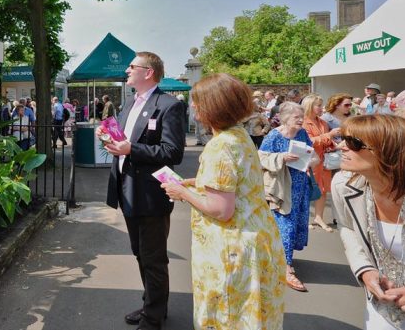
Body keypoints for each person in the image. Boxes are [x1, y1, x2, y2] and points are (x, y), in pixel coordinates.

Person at [161, 73, 285, 329]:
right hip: (256, 238)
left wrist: (181, 193)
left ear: (214, 105)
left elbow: (221, 209)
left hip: (232, 247)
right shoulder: (240, 136)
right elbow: (240, 183)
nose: (193, 105)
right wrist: (199, 183)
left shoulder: (220, 146)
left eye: (197, 101)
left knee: (227, 317)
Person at [97, 51, 185, 330]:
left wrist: (131, 148)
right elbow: (124, 139)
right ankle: (152, 304)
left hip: (150, 194)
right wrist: (108, 137)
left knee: (153, 258)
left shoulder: (169, 105)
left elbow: (173, 151)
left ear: (148, 72)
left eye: (132, 66)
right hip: (127, 188)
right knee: (139, 253)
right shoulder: (128, 103)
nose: (126, 70)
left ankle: (154, 317)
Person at [331, 115, 405, 329]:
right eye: (342, 138)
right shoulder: (344, 184)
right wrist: (365, 270)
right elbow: (348, 228)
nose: (341, 147)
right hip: (383, 307)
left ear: (388, 152)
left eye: (353, 143)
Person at [259, 102, 318, 292]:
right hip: (281, 187)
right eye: (296, 117)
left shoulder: (302, 134)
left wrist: (309, 159)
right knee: (286, 225)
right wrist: (281, 158)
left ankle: (281, 259)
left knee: (295, 223)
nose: (301, 120)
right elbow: (259, 158)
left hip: (300, 185)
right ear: (285, 118)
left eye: (302, 116)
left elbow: (314, 156)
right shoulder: (274, 135)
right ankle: (287, 267)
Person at [302, 94, 341, 232]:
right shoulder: (303, 122)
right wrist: (328, 136)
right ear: (309, 106)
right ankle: (304, 220)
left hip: (324, 161)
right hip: (310, 161)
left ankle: (319, 217)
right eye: (318, 105)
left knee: (322, 190)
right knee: (307, 190)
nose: (321, 108)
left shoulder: (323, 122)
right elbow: (309, 141)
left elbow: (325, 141)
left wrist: (334, 144)